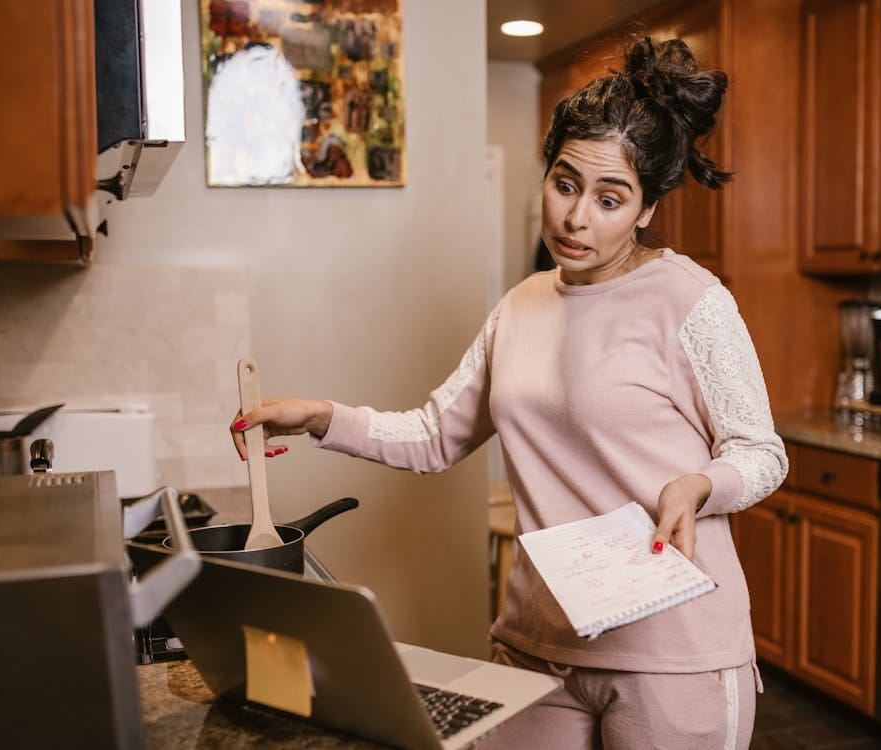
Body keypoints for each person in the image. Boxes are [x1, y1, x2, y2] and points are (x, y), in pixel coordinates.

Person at [231, 34, 788, 749]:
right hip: (538, 642)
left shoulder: (691, 301)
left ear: (646, 208)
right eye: (564, 184)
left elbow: (760, 452)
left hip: (673, 655)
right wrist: (319, 417)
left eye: (609, 198)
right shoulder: (521, 305)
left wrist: (698, 486)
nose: (576, 216)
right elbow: (436, 435)